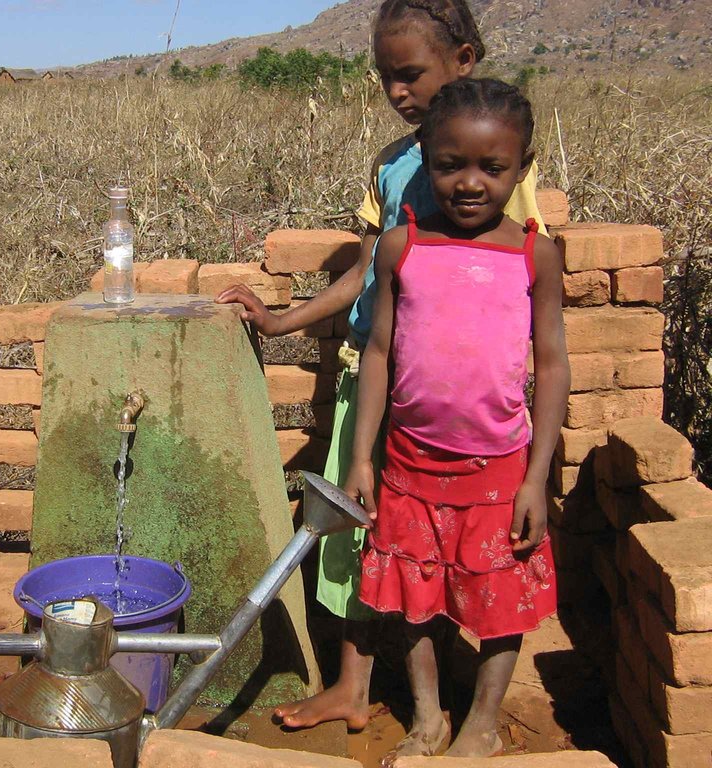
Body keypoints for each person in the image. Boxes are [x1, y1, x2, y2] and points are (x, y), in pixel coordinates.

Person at [217, 0, 548, 732]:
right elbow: (365, 277)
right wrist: (281, 320)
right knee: (361, 536)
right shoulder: (396, 166)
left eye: (410, 74)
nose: (397, 92)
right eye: (385, 79)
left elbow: (515, 290)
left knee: (425, 545)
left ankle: (413, 693)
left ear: (463, 61)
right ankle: (353, 683)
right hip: (375, 380)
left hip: (453, 408)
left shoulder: (497, 170)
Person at [345, 78, 569, 763]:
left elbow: (554, 367)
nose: (469, 183)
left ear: (522, 170)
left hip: (500, 470)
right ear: (427, 160)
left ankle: (482, 721)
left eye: (492, 168)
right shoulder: (401, 248)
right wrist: (362, 458)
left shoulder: (533, 255)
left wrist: (537, 479)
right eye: (450, 165)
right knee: (413, 597)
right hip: (411, 466)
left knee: (500, 600)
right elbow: (378, 353)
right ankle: (426, 718)